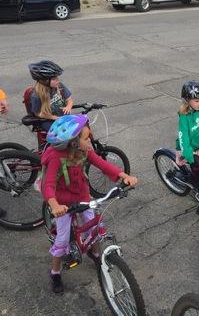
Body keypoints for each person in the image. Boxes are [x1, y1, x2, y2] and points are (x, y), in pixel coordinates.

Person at [41, 115, 138, 293]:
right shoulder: (57, 157)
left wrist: (123, 176)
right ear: (73, 143)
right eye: (86, 138)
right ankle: (55, 272)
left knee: (93, 227)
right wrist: (54, 205)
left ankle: (94, 253)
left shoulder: (84, 151)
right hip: (63, 203)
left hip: (82, 196)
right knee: (62, 240)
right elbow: (48, 185)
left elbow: (103, 165)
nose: (90, 139)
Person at [24, 60, 73, 142]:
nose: (58, 80)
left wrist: (68, 106)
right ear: (45, 80)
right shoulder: (36, 95)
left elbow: (69, 99)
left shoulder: (59, 86)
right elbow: (37, 113)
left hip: (62, 117)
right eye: (54, 78)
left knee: (80, 129)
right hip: (47, 121)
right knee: (63, 137)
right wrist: (54, 118)